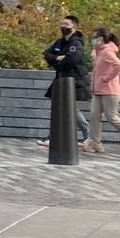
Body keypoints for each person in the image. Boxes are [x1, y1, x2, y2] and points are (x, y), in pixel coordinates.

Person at [40, 13, 94, 150]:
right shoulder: (60, 42)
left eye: (66, 25)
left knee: (68, 107)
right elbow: (47, 54)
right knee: (61, 106)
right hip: (61, 79)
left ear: (74, 27)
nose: (63, 27)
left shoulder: (76, 43)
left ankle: (87, 134)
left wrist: (57, 61)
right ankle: (55, 136)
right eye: (62, 24)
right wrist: (57, 58)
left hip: (73, 80)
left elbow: (71, 61)